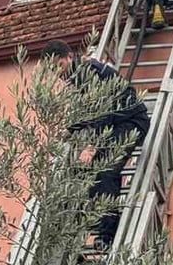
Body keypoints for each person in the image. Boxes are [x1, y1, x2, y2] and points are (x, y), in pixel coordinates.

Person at [43, 39, 151, 251]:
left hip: (130, 123)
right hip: (115, 124)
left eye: (59, 66)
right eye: (52, 69)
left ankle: (107, 233)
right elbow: (89, 112)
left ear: (69, 57)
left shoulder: (88, 72)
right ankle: (94, 225)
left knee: (106, 171)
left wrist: (92, 146)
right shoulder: (79, 76)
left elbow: (102, 109)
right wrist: (69, 130)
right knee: (90, 174)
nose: (58, 73)